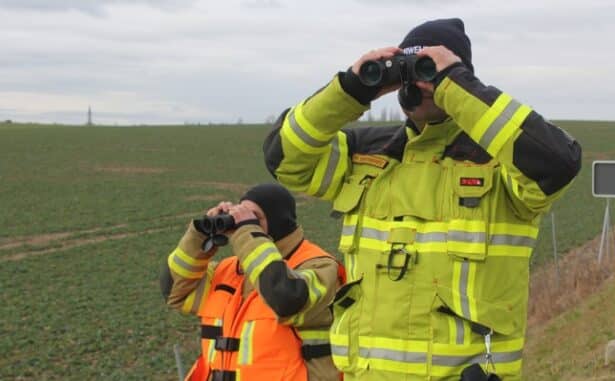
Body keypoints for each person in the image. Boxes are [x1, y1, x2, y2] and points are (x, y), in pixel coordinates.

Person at [263, 18, 582, 381]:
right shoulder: (364, 155)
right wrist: (351, 89)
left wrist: (456, 84)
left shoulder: (500, 161)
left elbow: (558, 162)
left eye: (429, 69)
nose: (418, 82)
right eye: (408, 71)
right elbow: (283, 157)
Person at [160, 183, 344, 381]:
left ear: (278, 221)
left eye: (254, 217)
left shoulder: (319, 266)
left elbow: (286, 299)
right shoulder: (227, 270)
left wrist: (248, 234)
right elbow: (174, 292)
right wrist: (199, 238)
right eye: (241, 216)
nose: (244, 223)